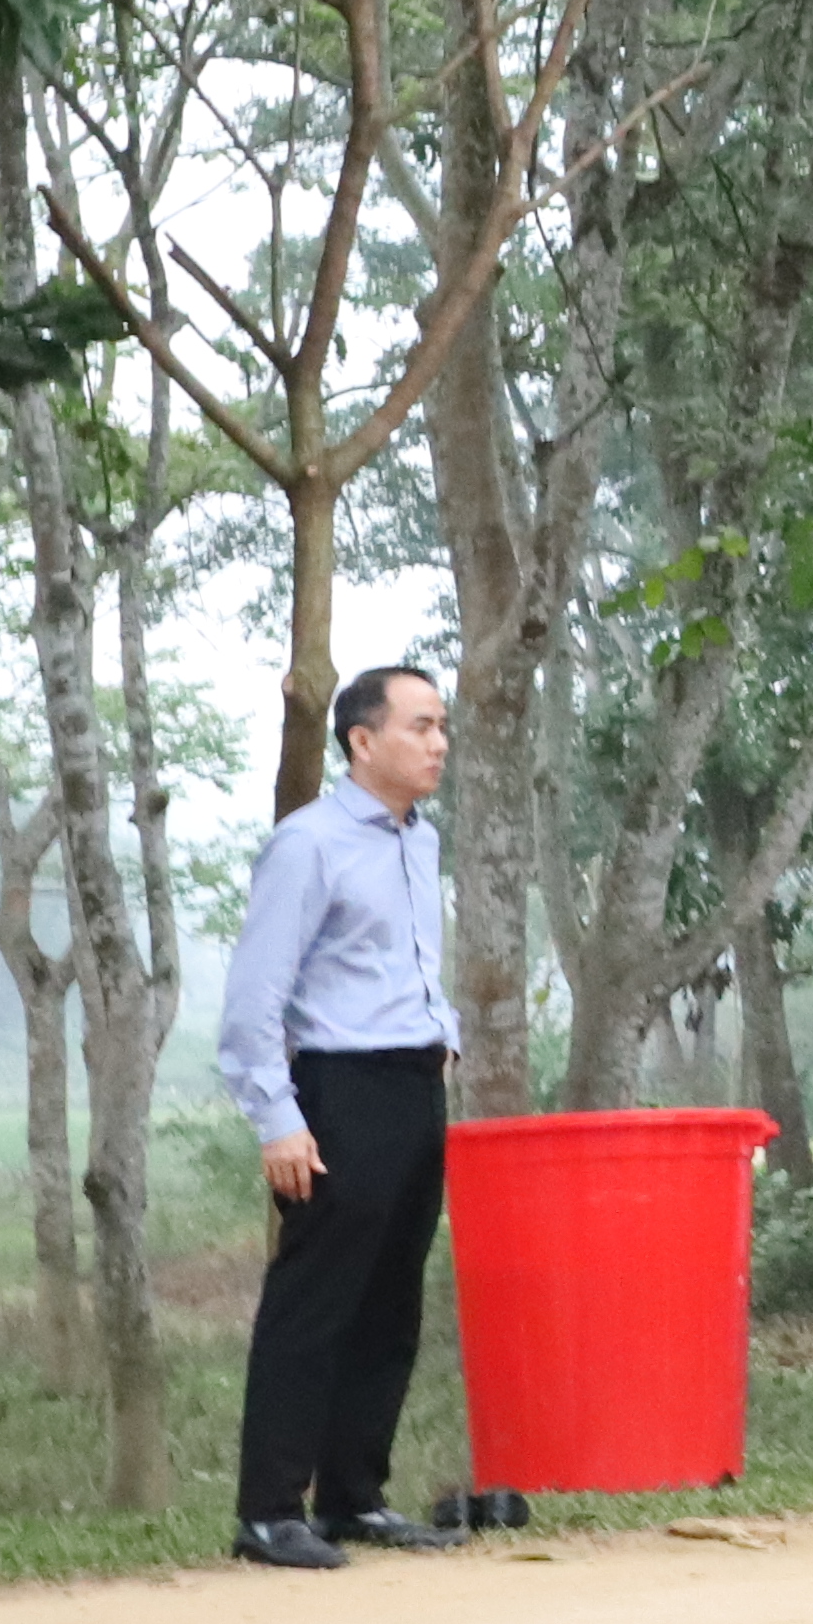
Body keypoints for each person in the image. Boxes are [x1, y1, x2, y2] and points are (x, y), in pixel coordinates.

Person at [213, 662, 471, 1570]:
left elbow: (409, 962)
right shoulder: (309, 844)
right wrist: (278, 1118)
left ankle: (354, 1496)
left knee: (391, 1301)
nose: (439, 744)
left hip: (413, 1084)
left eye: (443, 727)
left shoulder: (419, 841)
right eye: (420, 727)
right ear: (363, 741)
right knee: (314, 1301)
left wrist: (446, 1036)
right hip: (338, 1089)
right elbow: (256, 994)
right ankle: (269, 1510)